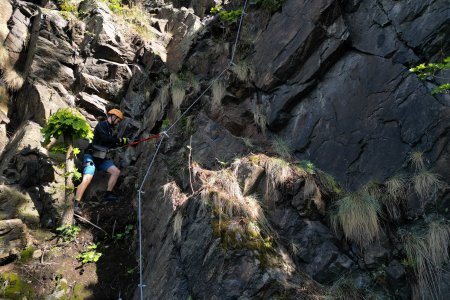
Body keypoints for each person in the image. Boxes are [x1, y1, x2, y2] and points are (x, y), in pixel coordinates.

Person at [74, 109, 129, 206]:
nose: (118, 123)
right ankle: (76, 203)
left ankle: (108, 195)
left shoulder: (109, 129)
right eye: (118, 120)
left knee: (116, 172)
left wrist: (122, 143)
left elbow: (108, 144)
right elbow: (106, 139)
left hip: (101, 157)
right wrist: (120, 140)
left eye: (119, 122)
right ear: (113, 116)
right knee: (87, 178)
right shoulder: (101, 125)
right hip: (91, 156)